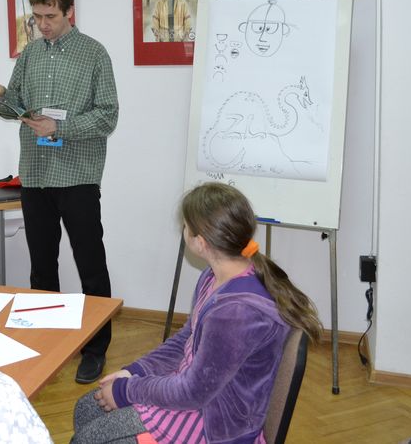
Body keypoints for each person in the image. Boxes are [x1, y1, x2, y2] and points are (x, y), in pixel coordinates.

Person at [71, 183, 323, 444]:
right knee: (86, 408)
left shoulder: (236, 313)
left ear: (200, 243)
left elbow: (192, 393)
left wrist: (126, 391)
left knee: (89, 438)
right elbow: (186, 339)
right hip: (199, 395)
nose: (183, 230)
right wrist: (134, 372)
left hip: (214, 426)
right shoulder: (213, 278)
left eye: (185, 226)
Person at [0, 0, 119, 384]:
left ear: (68, 11)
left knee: (91, 265)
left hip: (77, 176)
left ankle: (95, 349)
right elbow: (17, 107)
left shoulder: (94, 54)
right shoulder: (30, 54)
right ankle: (48, 342)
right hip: (36, 175)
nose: (43, 25)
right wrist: (1, 94)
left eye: (50, 17)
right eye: (37, 17)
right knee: (42, 268)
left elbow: (108, 115)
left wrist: (60, 127)